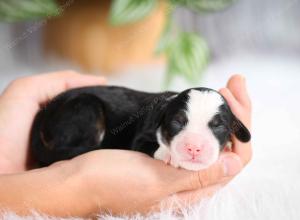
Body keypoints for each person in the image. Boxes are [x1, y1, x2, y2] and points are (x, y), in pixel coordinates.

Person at [0, 71, 252, 218]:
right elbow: (141, 141)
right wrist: (77, 186)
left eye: (216, 126)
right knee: (88, 117)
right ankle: (58, 156)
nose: (195, 145)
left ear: (234, 130)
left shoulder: (170, 112)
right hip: (77, 112)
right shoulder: (157, 114)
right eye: (179, 123)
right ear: (164, 119)